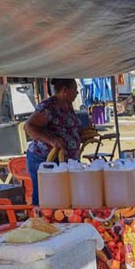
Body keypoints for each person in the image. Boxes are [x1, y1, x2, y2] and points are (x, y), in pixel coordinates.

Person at [24, 78, 83, 206]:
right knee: (45, 196)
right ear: (65, 90)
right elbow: (29, 127)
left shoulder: (67, 104)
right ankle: (41, 222)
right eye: (75, 90)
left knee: (64, 196)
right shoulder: (48, 107)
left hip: (67, 159)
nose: (77, 93)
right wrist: (51, 140)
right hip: (44, 158)